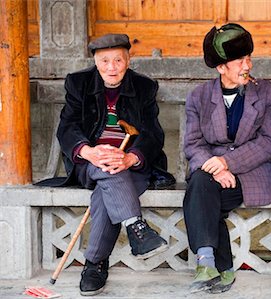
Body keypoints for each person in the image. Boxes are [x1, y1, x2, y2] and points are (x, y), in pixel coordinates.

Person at [53, 34, 175, 296]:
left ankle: (95, 263)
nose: (112, 67)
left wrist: (131, 157)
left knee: (105, 192)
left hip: (132, 164)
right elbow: (68, 127)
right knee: (105, 168)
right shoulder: (79, 83)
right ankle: (136, 227)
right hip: (89, 162)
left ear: (128, 61)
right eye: (105, 61)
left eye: (118, 60)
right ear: (95, 63)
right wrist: (89, 152)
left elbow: (154, 134)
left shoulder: (143, 87)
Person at [183, 23, 271, 294]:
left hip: (251, 174)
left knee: (199, 194)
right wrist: (216, 168)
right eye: (239, 61)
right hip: (210, 172)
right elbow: (192, 143)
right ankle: (213, 265)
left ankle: (211, 264)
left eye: (248, 58)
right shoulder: (199, 97)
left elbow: (267, 143)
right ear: (221, 67)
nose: (247, 65)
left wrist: (228, 163)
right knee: (202, 186)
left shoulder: (267, 93)